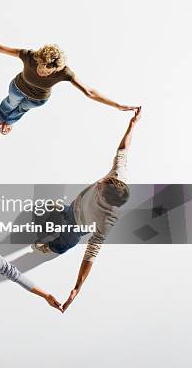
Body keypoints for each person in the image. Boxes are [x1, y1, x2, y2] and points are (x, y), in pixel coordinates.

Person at [32, 107, 142, 311]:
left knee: (66, 242)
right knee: (64, 211)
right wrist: (131, 126)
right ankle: (61, 211)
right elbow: (122, 151)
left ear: (105, 199)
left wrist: (77, 287)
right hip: (75, 205)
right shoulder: (118, 175)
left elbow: (92, 252)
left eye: (100, 188)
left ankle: (51, 247)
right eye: (104, 181)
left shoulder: (107, 220)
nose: (98, 182)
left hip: (79, 226)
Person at [0, 22, 138, 135]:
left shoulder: (65, 72)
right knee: (10, 103)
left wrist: (117, 105)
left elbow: (89, 92)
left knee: (22, 109)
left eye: (48, 72)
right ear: (38, 59)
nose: (43, 72)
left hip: (38, 99)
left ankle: (10, 122)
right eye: (41, 68)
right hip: (18, 87)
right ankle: (1, 116)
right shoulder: (29, 55)